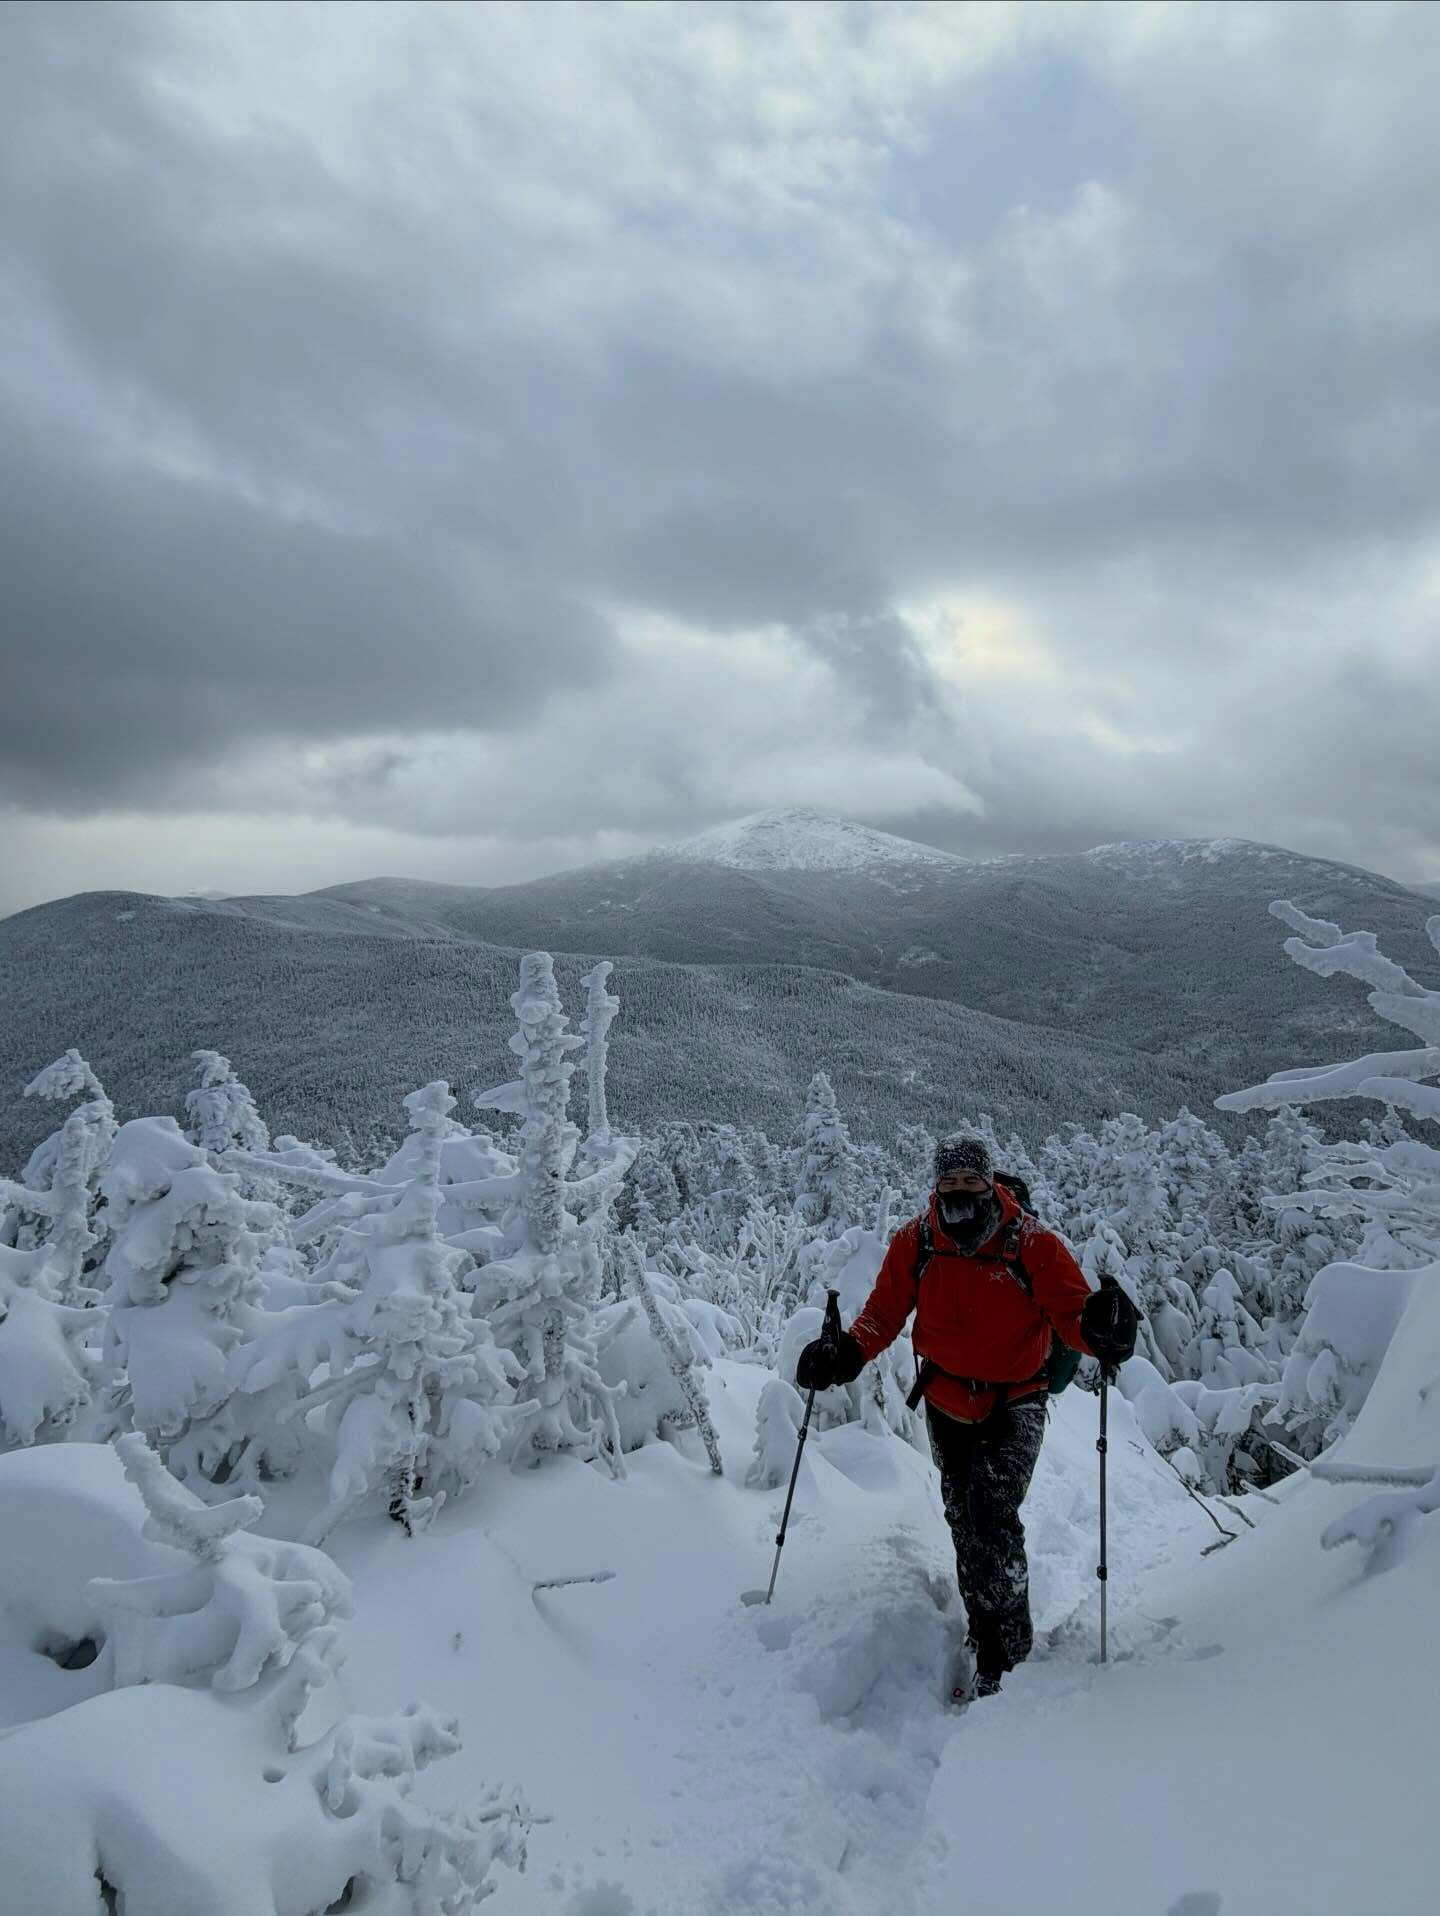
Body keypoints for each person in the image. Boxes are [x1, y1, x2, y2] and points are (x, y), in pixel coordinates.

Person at [796, 1134, 1138, 1696]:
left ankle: (1007, 1652)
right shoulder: (918, 1240)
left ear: (990, 1183)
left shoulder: (1031, 1242)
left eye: (970, 1182)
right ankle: (985, 1632)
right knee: (963, 1517)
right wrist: (847, 1354)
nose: (959, 1192)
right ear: (937, 1184)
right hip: (946, 1400)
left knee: (991, 1513)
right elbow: (884, 1312)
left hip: (1017, 1400)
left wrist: (1106, 1331)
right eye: (949, 1182)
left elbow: (1073, 1313)